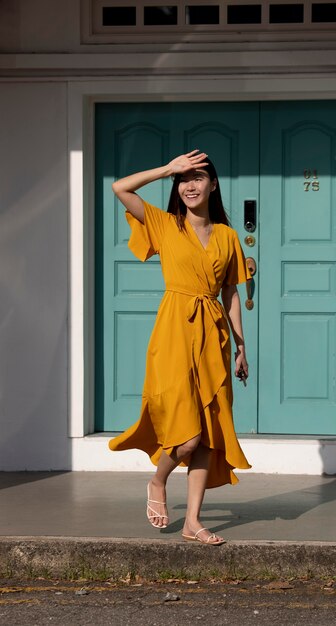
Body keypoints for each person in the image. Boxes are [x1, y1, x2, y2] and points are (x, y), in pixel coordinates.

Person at [109, 149, 251, 545]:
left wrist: (241, 346)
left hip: (213, 338)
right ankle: (158, 481)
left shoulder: (227, 235)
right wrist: (168, 168)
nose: (189, 185)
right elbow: (121, 187)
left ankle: (193, 521)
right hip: (173, 331)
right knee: (185, 435)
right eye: (182, 180)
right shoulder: (165, 224)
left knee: (207, 433)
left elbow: (231, 293)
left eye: (197, 178)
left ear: (213, 184)